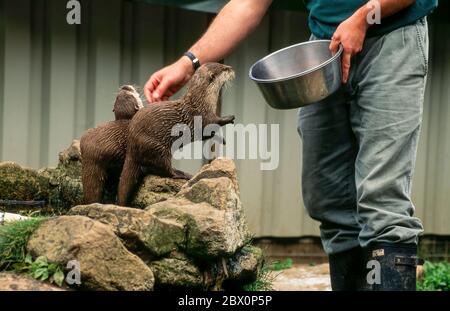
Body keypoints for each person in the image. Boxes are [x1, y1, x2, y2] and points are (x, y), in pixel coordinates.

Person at [144, 0, 438, 291]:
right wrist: (188, 63)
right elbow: (248, 5)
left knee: (381, 199)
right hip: (325, 49)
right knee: (328, 198)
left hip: (390, 40)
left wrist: (364, 16)